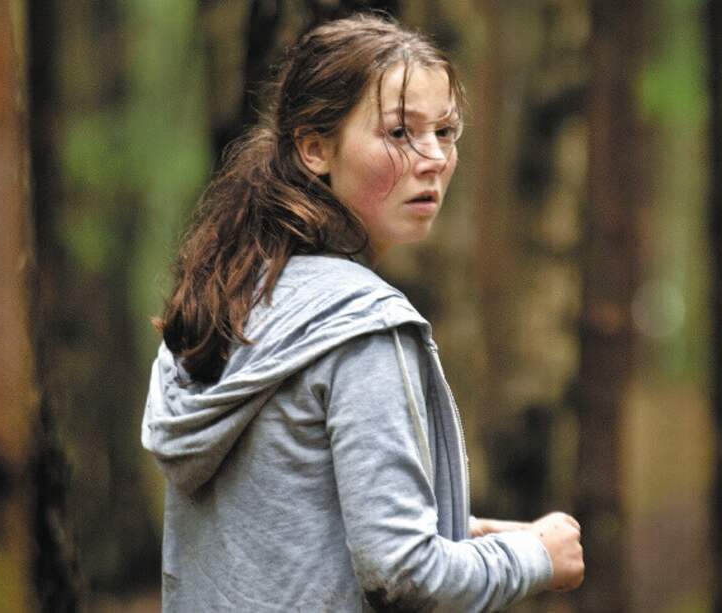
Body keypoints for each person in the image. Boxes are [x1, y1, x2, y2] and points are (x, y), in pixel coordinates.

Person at [142, 13, 583, 612]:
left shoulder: (233, 302)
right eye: (400, 134)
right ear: (316, 149)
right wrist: (536, 558)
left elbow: (284, 526)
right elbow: (404, 575)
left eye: (446, 132)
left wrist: (461, 530)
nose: (433, 158)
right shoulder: (360, 329)